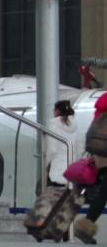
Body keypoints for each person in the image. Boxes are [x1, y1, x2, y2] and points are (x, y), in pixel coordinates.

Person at [76, 111, 107, 244]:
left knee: (103, 195)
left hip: (101, 155)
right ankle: (84, 229)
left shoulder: (101, 112)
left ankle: (85, 228)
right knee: (103, 195)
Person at [45, 100, 77, 186]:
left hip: (57, 171)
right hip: (72, 170)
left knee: (54, 196)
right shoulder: (75, 124)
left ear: (57, 111)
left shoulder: (53, 125)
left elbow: (52, 149)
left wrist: (45, 163)